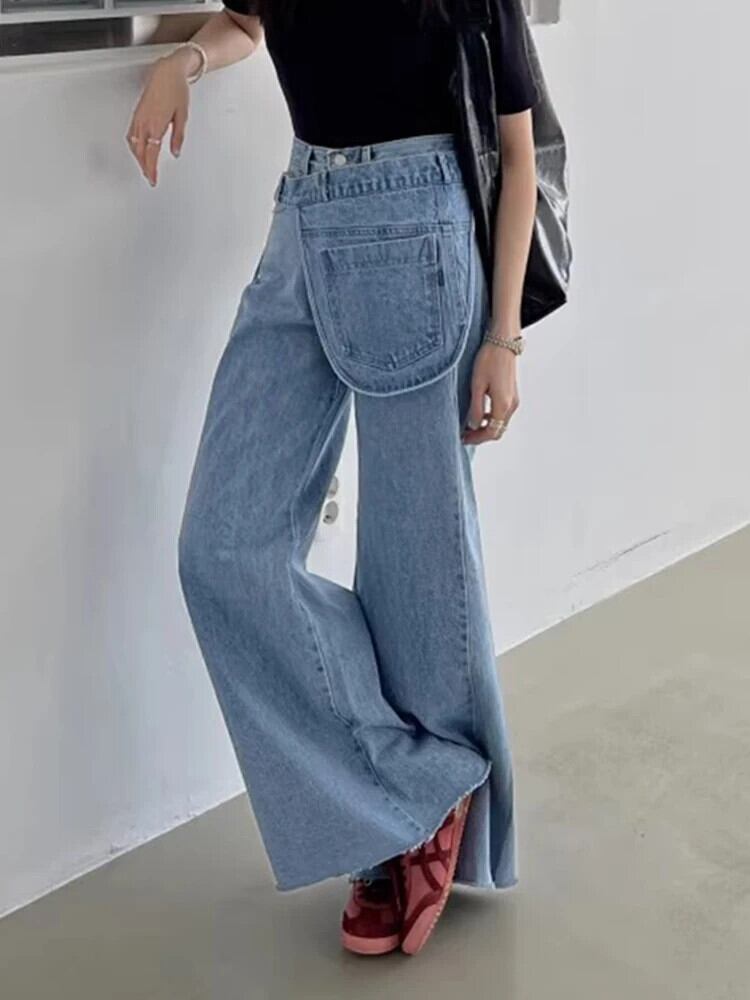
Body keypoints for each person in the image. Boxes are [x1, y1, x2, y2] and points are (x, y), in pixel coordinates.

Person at [126, 0, 539, 958]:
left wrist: (505, 338)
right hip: (301, 222)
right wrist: (185, 62)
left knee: (415, 568)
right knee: (221, 548)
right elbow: (246, 22)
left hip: (418, 224)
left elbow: (519, 153)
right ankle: (410, 789)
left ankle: (409, 826)